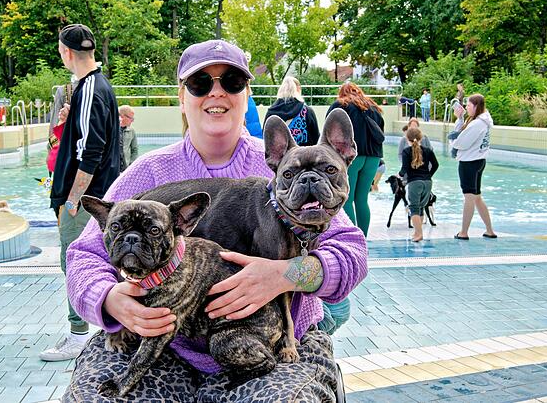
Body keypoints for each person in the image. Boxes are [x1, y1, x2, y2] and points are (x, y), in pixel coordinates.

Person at [63, 39, 367, 401]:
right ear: (182, 98)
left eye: (232, 82)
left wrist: (284, 275)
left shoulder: (293, 169)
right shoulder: (148, 173)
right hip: (164, 349)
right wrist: (110, 299)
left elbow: (351, 254)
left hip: (272, 345)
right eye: (200, 84)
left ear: (246, 95)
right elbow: (84, 256)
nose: (216, 92)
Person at [41, 23, 122, 362]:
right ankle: (108, 333)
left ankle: (78, 336)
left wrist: (72, 201)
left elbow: (90, 153)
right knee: (101, 264)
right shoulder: (95, 88)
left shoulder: (90, 89)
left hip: (85, 201)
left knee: (74, 264)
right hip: (96, 198)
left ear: (66, 52)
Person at [328, 82, 385, 237]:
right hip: (373, 158)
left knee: (347, 198)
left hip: (351, 157)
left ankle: (353, 239)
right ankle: (364, 239)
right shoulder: (374, 109)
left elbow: (328, 131)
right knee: (362, 199)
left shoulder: (340, 105)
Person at [450, 93, 497, 240]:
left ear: (476, 106)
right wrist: (460, 119)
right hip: (479, 161)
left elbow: (460, 142)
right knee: (477, 197)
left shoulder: (477, 124)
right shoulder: (483, 120)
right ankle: (490, 230)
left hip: (469, 162)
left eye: (469, 105)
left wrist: (453, 140)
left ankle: (464, 232)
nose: (466, 108)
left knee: (469, 197)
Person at [399, 127, 439, 242]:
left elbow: (404, 169)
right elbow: (436, 165)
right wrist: (428, 176)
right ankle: (417, 232)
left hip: (414, 183)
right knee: (421, 208)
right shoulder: (428, 150)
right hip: (427, 182)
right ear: (421, 138)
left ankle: (419, 234)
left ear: (407, 139)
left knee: (414, 208)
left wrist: (399, 175)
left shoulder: (406, 151)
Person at [265, 76, 320, 146]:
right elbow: (316, 139)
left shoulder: (271, 112)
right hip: (303, 155)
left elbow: (266, 139)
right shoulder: (307, 111)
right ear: (298, 89)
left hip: (280, 156)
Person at [118, 105, 138, 171]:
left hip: (125, 168)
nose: (132, 121)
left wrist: (131, 165)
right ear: (122, 117)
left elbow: (134, 149)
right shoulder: (111, 130)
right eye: (131, 118)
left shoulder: (131, 131)